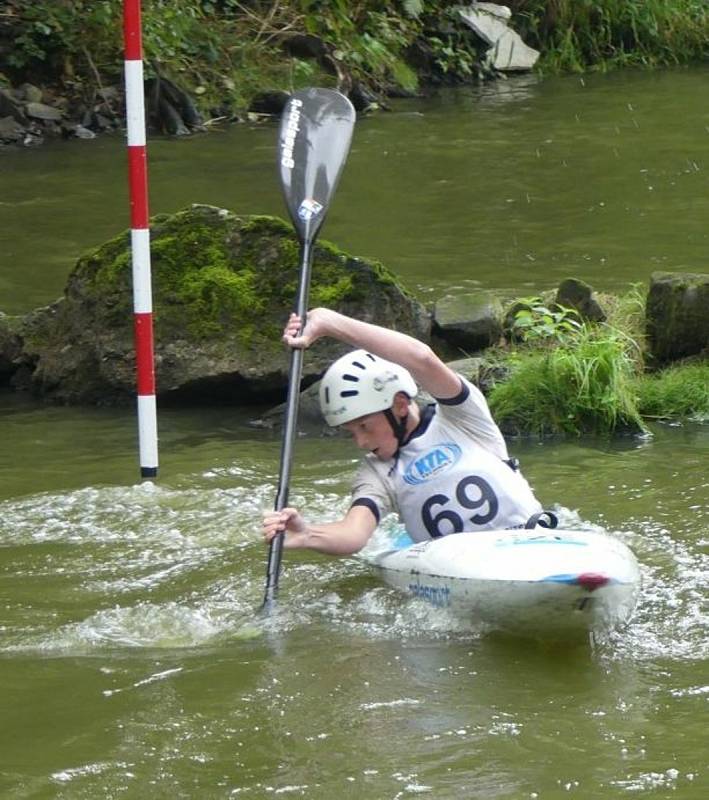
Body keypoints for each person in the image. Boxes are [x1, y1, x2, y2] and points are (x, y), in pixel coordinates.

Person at [262, 307, 551, 555]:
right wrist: (307, 535)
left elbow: (422, 359)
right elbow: (354, 534)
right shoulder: (377, 472)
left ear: (400, 405)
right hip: (460, 565)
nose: (361, 442)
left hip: (532, 539)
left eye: (364, 426)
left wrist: (329, 322)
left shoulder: (461, 417)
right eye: (352, 432)